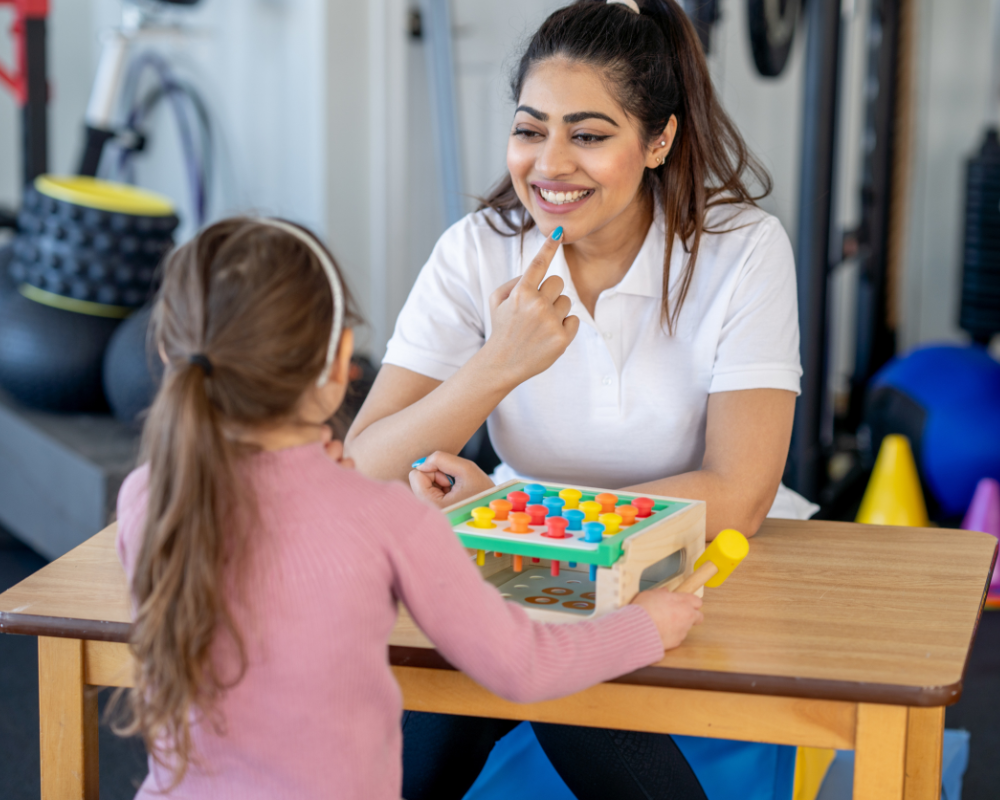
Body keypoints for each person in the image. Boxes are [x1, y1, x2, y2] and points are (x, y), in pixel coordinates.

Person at [345, 0, 809, 797]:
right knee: (429, 726)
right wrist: (497, 367)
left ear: (658, 140)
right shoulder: (475, 250)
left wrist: (527, 521)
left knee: (560, 676)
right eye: (531, 130)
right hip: (531, 562)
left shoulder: (742, 249)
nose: (549, 164)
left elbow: (737, 493)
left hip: (698, 570)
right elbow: (360, 472)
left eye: (589, 136)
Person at [111, 217, 704, 800]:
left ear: (169, 350)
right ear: (343, 363)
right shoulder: (385, 517)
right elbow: (523, 666)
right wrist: (647, 625)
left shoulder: (146, 494)